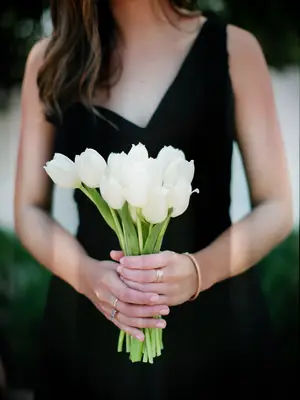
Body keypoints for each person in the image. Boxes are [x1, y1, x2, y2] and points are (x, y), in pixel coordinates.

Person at [14, 0, 293, 398]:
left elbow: (277, 206)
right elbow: (28, 209)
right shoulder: (50, 60)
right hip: (89, 336)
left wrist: (200, 271)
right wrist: (86, 275)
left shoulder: (235, 49)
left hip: (218, 332)